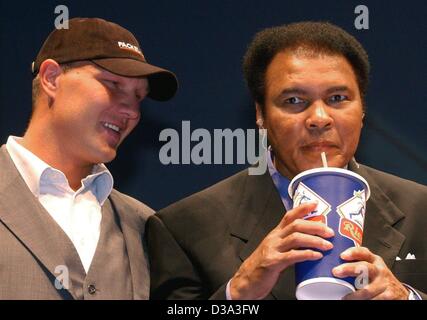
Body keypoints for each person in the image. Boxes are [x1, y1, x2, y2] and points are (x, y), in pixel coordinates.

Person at [146, 21, 426, 300]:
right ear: (260, 114)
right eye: (294, 101)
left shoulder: (420, 210)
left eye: (338, 98)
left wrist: (407, 298)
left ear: (362, 109)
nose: (319, 118)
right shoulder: (185, 227)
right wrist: (238, 292)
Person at [0, 17, 177, 299]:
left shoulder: (145, 225)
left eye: (139, 97)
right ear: (51, 78)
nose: (131, 110)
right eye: (113, 84)